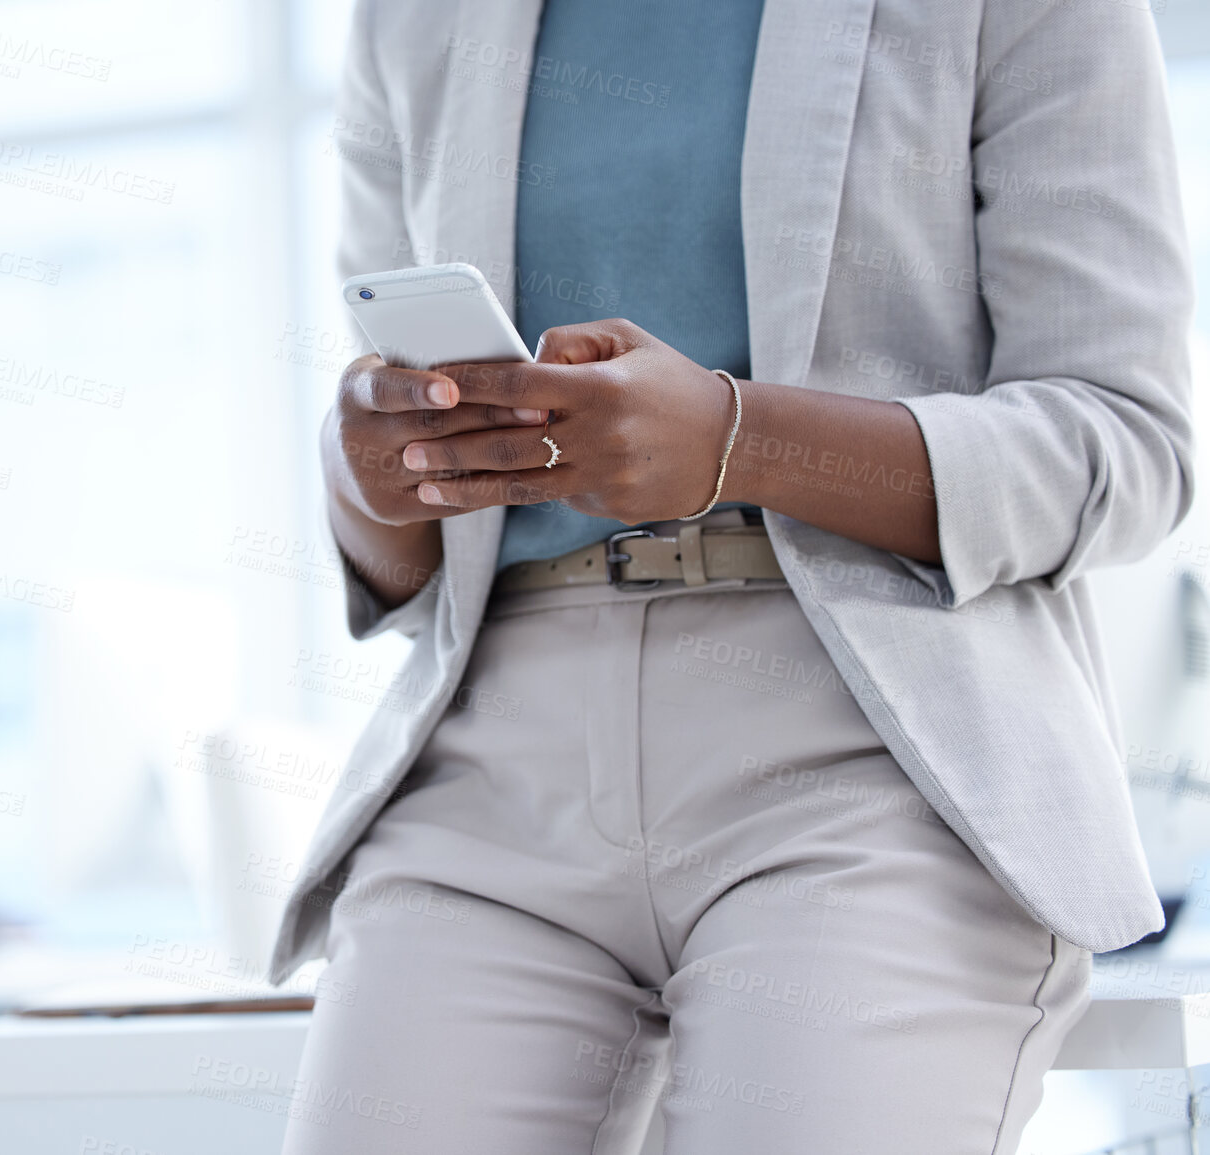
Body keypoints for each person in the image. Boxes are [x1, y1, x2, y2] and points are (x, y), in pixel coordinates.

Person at [272, 2, 1193, 1153]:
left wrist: (737, 441)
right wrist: (370, 473)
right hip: (493, 764)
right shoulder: (413, 19)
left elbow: (1124, 444)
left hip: (868, 752)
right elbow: (407, 556)